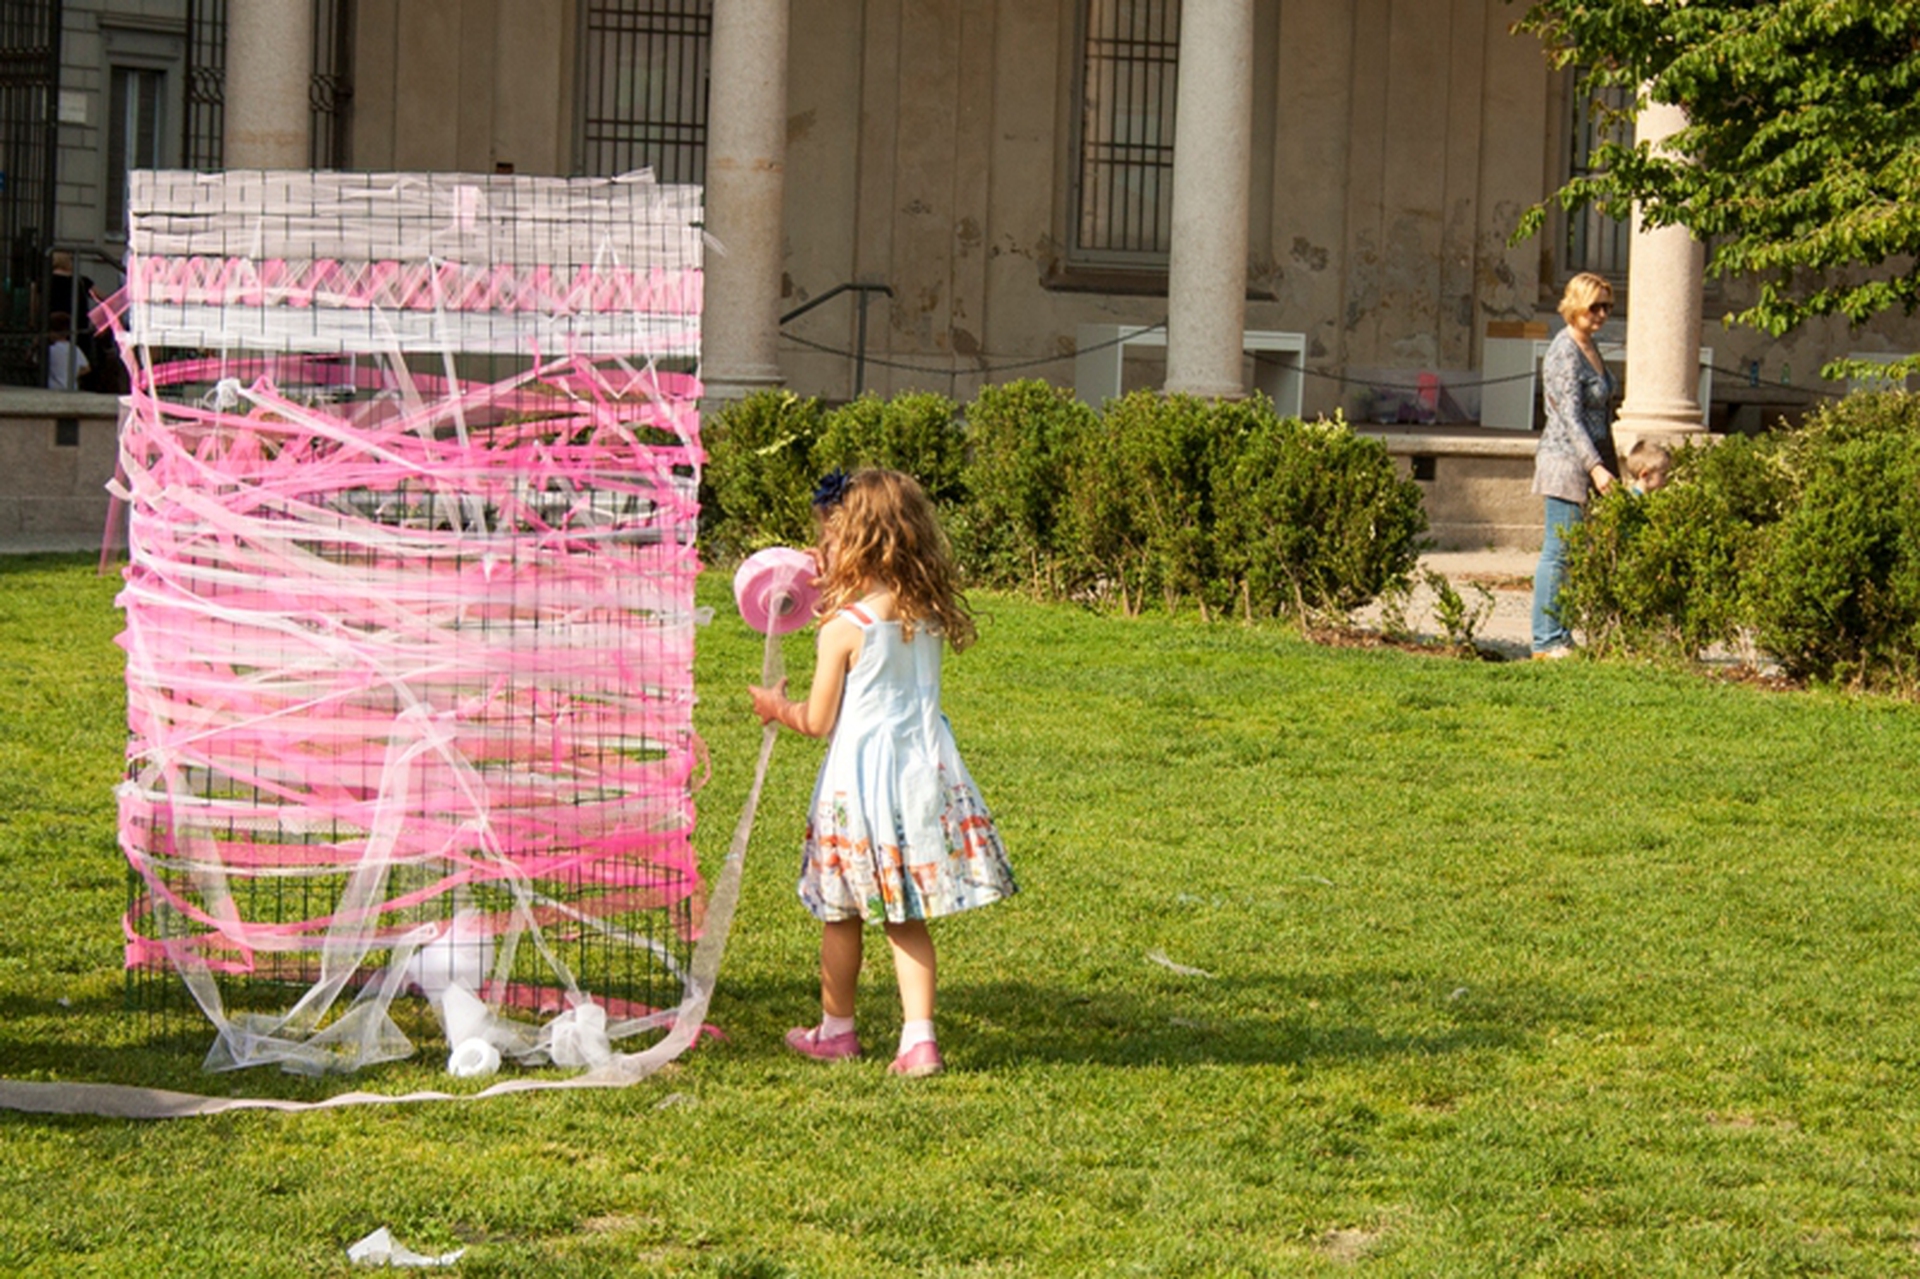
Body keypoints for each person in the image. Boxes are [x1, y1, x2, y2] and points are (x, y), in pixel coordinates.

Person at [749, 468, 1017, 1078]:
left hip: (857, 791)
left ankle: (837, 1030)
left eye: (830, 541)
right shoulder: (922, 614)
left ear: (859, 543)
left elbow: (817, 721)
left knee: (841, 912)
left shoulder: (843, 630)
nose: (821, 554)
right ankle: (918, 1039)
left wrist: (774, 706)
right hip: (921, 780)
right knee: (906, 913)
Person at [1530, 272, 1619, 659]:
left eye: (1607, 307)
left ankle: (1562, 634)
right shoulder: (1564, 350)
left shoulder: (1590, 346)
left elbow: (1601, 412)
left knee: (1577, 552)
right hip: (1566, 461)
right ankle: (1546, 640)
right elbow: (1569, 416)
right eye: (1594, 306)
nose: (1600, 314)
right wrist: (1595, 466)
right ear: (1575, 305)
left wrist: (1608, 464)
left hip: (1593, 456)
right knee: (1559, 550)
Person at [45, 312, 90, 391]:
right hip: (72, 387)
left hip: (53, 388)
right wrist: (73, 373)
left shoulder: (50, 350)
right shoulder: (74, 348)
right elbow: (86, 368)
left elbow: (32, 361)